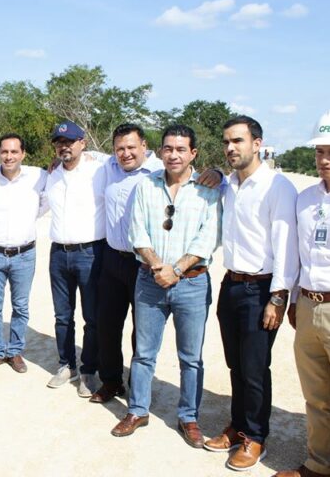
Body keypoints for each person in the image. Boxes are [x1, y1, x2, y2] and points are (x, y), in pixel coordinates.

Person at [111, 124, 221, 449]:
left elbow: (208, 237)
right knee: (144, 353)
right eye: (168, 148)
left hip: (192, 283)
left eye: (181, 149)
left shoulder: (208, 190)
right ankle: (137, 410)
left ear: (193, 153)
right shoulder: (146, 186)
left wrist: (176, 270)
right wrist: (159, 267)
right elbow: (137, 231)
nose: (173, 155)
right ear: (159, 151)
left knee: (191, 357)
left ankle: (189, 416)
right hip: (150, 280)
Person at [204, 116, 298, 471]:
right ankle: (238, 425)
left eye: (239, 141)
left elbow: (286, 245)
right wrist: (213, 169)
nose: (231, 148)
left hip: (261, 288)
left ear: (257, 144)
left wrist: (278, 296)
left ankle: (256, 437)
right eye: (227, 141)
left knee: (256, 367)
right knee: (235, 365)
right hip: (231, 284)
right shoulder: (227, 184)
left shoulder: (278, 187)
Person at [274, 109, 330, 477]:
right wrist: (294, 301)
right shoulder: (306, 198)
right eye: (320, 152)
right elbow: (298, 254)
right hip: (309, 306)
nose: (325, 160)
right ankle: (318, 464)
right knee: (317, 396)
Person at [92, 123, 163, 403]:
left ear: (144, 146)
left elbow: (189, 173)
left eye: (132, 147)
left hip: (142, 263)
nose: (126, 153)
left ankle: (139, 386)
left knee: (142, 328)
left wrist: (215, 174)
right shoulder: (108, 167)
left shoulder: (159, 171)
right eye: (120, 148)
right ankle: (111, 381)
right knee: (107, 324)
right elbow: (84, 154)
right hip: (111, 259)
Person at [0, 133, 47, 373]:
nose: (9, 156)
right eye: (5, 151)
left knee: (21, 306)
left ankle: (15, 352)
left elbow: (50, 197)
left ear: (23, 154)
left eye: (14, 152)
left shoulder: (39, 176)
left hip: (24, 254)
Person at [44, 120, 106, 396]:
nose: (64, 146)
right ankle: (66, 364)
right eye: (59, 142)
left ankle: (89, 370)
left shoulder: (100, 169)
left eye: (70, 141)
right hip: (58, 254)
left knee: (92, 316)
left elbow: (143, 158)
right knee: (62, 316)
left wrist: (213, 171)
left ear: (83, 143)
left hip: (90, 253)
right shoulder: (51, 174)